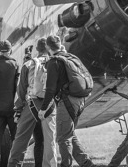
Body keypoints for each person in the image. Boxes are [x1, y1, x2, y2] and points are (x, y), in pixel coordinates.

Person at [38, 35, 94, 167]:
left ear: (47, 47)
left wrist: (43, 108)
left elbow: (50, 89)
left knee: (63, 138)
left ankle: (66, 164)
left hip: (67, 101)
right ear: (59, 44)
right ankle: (86, 163)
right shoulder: (71, 57)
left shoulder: (53, 62)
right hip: (80, 100)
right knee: (69, 134)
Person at [8, 39, 58, 167]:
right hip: (49, 105)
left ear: (37, 49)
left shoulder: (28, 64)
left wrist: (19, 108)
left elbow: (21, 89)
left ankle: (14, 164)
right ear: (47, 48)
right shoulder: (55, 62)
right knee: (49, 141)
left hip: (31, 104)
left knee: (21, 140)